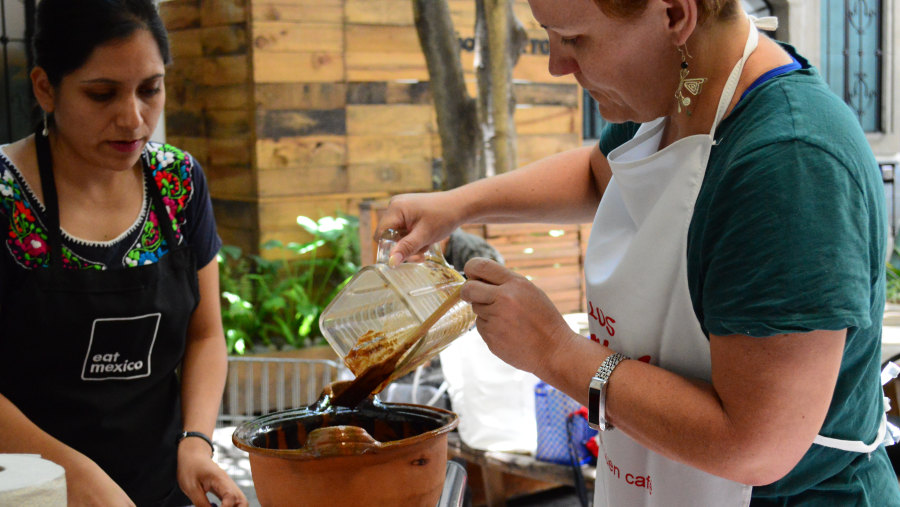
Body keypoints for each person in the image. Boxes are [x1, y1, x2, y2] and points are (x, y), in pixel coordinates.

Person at [377, 0, 900, 505]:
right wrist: (455, 205)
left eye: (574, 38)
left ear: (674, 14)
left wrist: (554, 351)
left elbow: (754, 445)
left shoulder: (790, 164)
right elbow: (598, 174)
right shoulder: (677, 93)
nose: (558, 65)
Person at [0, 1, 247, 506]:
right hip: (28, 490)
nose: (134, 118)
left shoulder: (178, 182)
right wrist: (72, 475)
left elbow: (205, 333)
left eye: (150, 89)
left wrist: (196, 443)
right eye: (101, 93)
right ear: (45, 87)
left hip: (161, 487)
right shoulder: (5, 195)